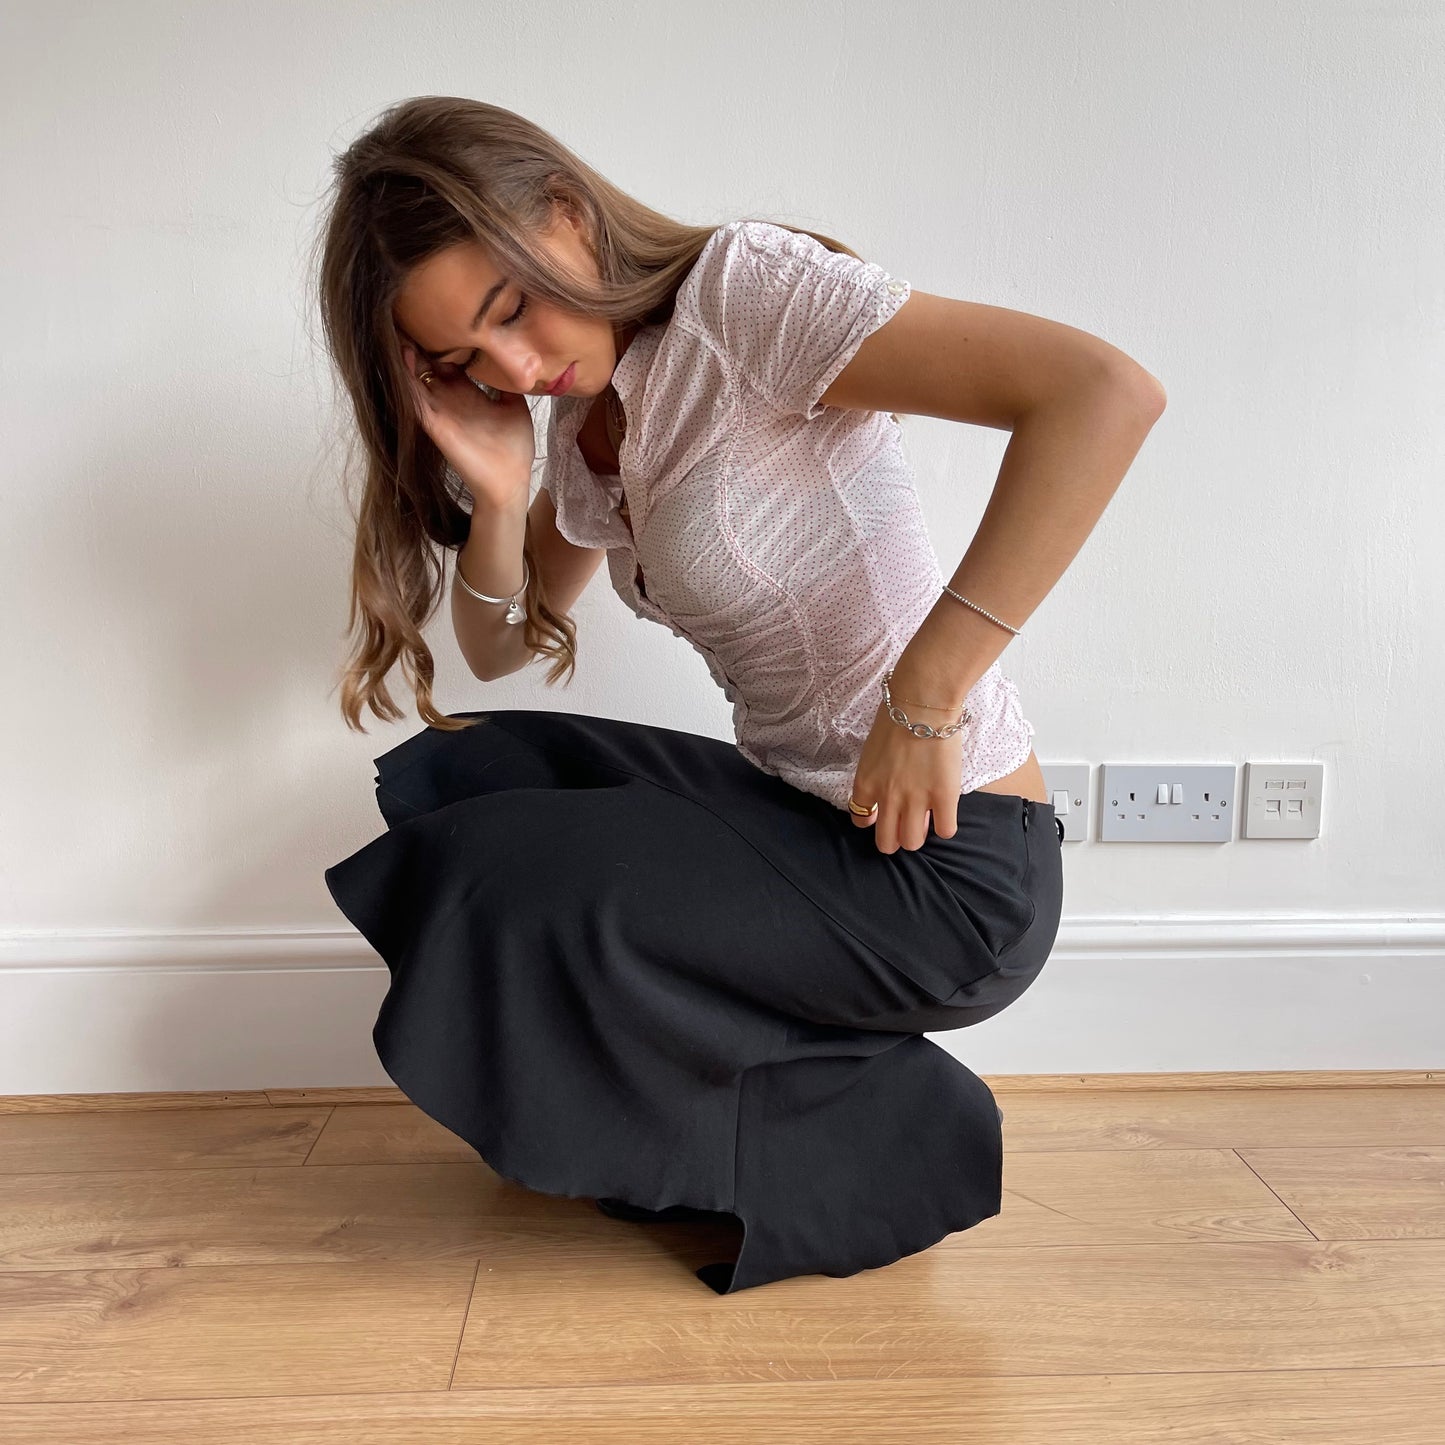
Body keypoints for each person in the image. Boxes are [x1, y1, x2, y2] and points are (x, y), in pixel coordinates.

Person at [315, 96, 1165, 1295]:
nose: (514, 364)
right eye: (464, 360)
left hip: (952, 864)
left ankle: (890, 1132)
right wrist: (501, 497)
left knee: (512, 868)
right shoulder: (581, 428)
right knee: (479, 772)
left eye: (510, 308)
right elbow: (500, 647)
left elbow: (1100, 393)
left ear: (563, 214)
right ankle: (714, 1119)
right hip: (806, 822)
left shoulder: (742, 296)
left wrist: (925, 692)